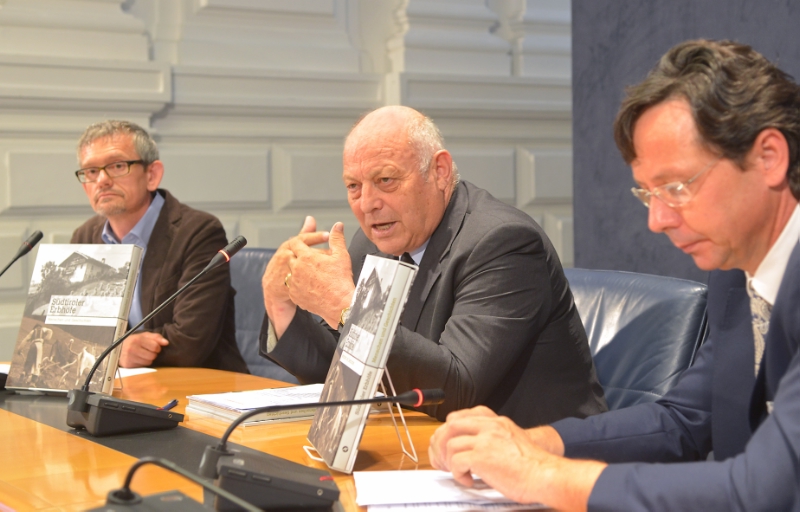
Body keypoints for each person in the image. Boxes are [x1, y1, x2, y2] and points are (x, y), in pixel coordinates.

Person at [428, 39, 800, 511]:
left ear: (769, 157)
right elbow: (684, 420)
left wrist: (539, 474)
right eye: (649, 194)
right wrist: (535, 442)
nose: (657, 220)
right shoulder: (736, 271)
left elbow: (763, 490)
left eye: (676, 187)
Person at [259, 105, 606, 427]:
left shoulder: (503, 244)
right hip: (428, 445)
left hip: (541, 455)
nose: (367, 204)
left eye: (385, 180)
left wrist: (345, 307)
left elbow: (454, 390)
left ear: (439, 171)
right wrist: (280, 303)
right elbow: (341, 373)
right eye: (354, 186)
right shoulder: (373, 243)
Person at [71, 120, 248, 373]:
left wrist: (108, 350)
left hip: (201, 385)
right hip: (120, 385)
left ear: (152, 175)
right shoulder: (84, 237)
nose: (102, 180)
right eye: (91, 171)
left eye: (117, 166)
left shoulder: (198, 232)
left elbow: (190, 341)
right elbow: (69, 331)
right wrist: (118, 351)